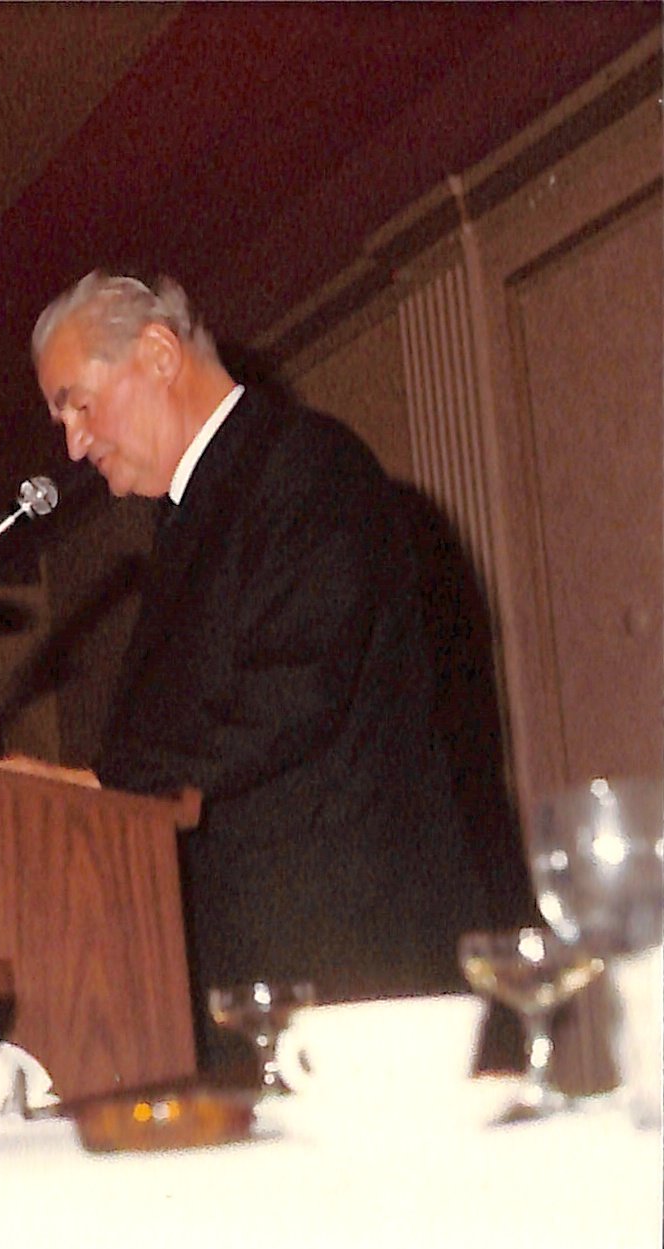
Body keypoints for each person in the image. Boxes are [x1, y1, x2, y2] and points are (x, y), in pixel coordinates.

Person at [31, 270, 498, 1060]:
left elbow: (292, 692)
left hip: (354, 974)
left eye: (78, 404)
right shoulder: (197, 512)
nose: (74, 444)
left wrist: (102, 785)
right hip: (269, 978)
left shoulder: (305, 465)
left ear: (158, 354)